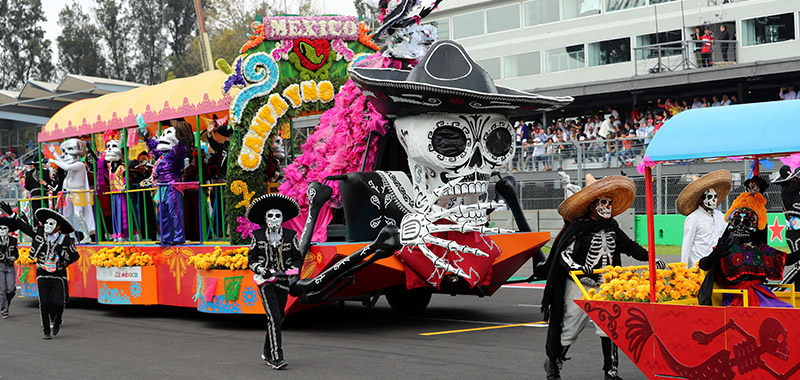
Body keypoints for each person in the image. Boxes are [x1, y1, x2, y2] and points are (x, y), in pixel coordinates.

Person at [541, 175, 665, 380]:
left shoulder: (612, 227)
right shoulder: (578, 229)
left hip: (606, 287)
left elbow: (630, 247)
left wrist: (652, 258)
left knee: (609, 328)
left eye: (609, 202)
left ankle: (610, 371)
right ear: (591, 205)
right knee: (570, 329)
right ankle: (554, 362)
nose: (607, 206)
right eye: (602, 202)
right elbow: (564, 255)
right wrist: (580, 268)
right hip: (581, 285)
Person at [698, 191, 799, 307]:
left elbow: (787, 259)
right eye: (736, 222)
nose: (740, 226)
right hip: (736, 297)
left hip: (759, 294)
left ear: (754, 227)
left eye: (746, 223)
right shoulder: (725, 247)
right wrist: (716, 254)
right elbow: (703, 265)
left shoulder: (760, 248)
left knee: (788, 309)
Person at [5, 205, 80, 339]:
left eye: (51, 223)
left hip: (58, 274)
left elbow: (75, 256)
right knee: (44, 303)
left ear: (58, 227)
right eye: (46, 223)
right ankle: (46, 330)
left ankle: (57, 320)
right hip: (42, 272)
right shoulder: (40, 233)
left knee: (59, 302)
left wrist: (62, 253)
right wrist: (12, 215)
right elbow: (25, 228)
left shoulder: (66, 240)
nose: (47, 226)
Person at [246, 194, 302, 370]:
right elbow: (251, 259)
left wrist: (289, 271)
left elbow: (298, 260)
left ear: (283, 218)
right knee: (274, 318)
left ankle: (267, 350)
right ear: (265, 218)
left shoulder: (291, 235)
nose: (274, 219)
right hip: (265, 282)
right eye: (270, 215)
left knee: (278, 318)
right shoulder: (257, 235)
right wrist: (260, 269)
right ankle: (276, 358)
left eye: (278, 216)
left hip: (283, 282)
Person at [677, 170, 731, 268]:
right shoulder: (693, 218)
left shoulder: (720, 216)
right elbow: (687, 244)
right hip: (699, 266)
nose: (713, 200)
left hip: (719, 266)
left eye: (715, 196)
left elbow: (726, 237)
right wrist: (683, 268)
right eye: (709, 197)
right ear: (701, 200)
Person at [0, 215, 19, 318]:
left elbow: (17, 254)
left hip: (10, 266)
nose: (2, 230)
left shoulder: (13, 240)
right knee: (2, 289)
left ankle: (5, 303)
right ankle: (4, 310)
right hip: (0, 266)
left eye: (4, 228)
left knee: (11, 289)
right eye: (0, 228)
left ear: (8, 230)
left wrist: (13, 258)